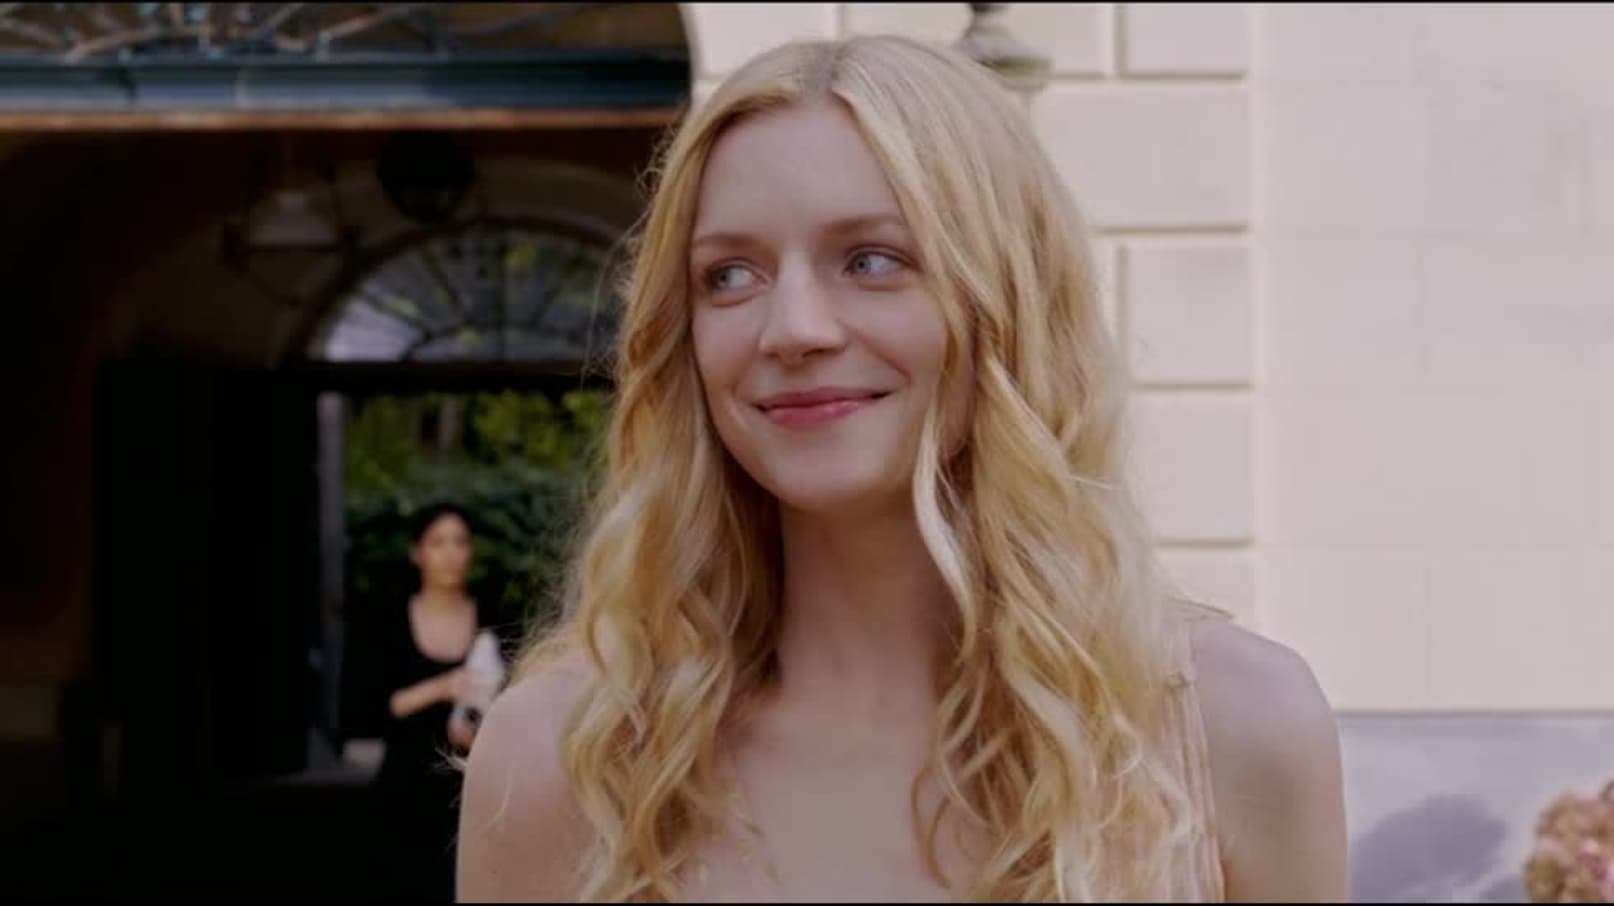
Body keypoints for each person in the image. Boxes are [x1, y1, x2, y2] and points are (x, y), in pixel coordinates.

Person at [457, 34, 1348, 903]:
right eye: (729, 275)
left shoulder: (1234, 730)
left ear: (1010, 303)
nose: (793, 328)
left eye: (873, 260)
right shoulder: (560, 759)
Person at [348, 501, 509, 902]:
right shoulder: (389, 618)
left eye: (460, 542)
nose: (451, 553)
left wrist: (481, 736)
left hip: (469, 788)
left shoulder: (493, 616)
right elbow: (374, 707)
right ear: (417, 553)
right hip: (403, 789)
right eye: (438, 543)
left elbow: (514, 701)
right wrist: (443, 687)